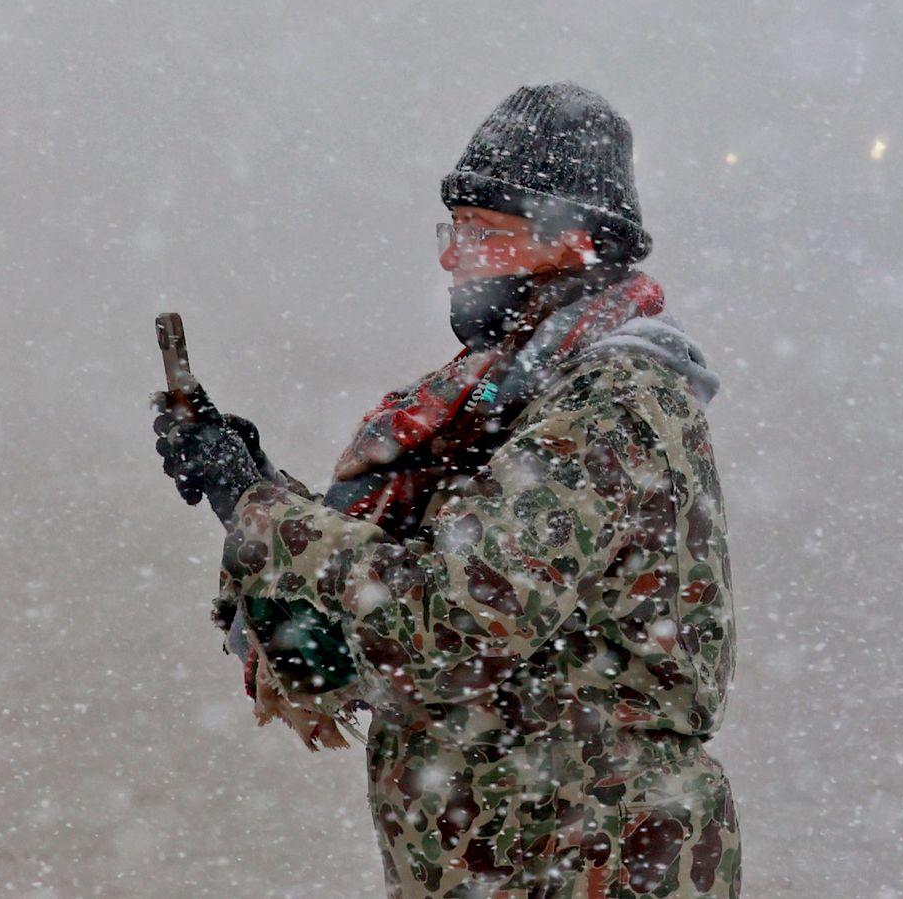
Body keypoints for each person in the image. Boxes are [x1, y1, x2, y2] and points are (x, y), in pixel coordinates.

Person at [155, 83, 739, 897]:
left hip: (589, 864)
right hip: (505, 862)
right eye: (453, 228)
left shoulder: (612, 403)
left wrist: (258, 508)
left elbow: (451, 621)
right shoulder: (492, 407)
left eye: (481, 231)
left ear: (572, 243)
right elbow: (367, 634)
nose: (450, 255)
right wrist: (251, 490)